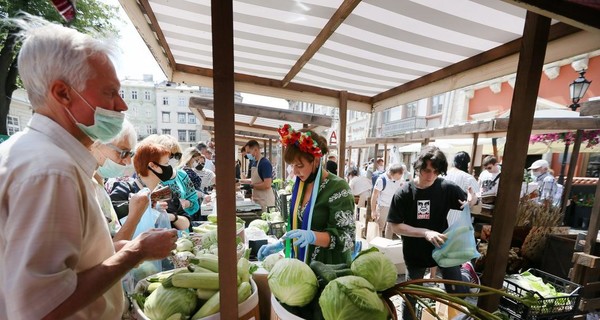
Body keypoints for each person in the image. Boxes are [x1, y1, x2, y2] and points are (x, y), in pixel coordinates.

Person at [0, 16, 177, 319]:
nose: (122, 106)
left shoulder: (37, 157)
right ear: (62, 93)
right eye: (110, 92)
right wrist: (137, 252)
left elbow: (73, 264)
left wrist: (123, 248)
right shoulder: (51, 171)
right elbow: (44, 307)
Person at [386, 146, 479, 319]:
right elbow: (396, 226)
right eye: (427, 170)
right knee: (411, 296)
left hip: (444, 247)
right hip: (415, 252)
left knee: (457, 292)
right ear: (418, 167)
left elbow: (469, 200)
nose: (430, 176)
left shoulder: (446, 187)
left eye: (436, 171)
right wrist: (425, 232)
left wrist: (472, 199)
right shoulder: (404, 193)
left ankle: (467, 273)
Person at [258, 125, 356, 265]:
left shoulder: (338, 188)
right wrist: (283, 243)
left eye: (299, 166)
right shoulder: (300, 186)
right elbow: (297, 225)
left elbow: (348, 237)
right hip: (302, 268)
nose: (295, 172)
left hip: (330, 269)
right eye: (292, 166)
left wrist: (313, 236)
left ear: (316, 160)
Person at [90, 119, 152, 241]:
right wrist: (134, 216)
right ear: (94, 143)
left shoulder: (97, 183)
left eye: (130, 154)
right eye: (123, 153)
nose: (128, 162)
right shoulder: (81, 186)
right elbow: (108, 254)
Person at [134, 141, 193, 230]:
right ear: (152, 165)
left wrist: (171, 217)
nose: (169, 167)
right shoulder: (127, 190)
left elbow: (186, 223)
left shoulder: (165, 192)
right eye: (166, 163)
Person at [370, 163, 405, 239]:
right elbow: (374, 195)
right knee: (379, 227)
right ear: (391, 173)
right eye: (397, 177)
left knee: (390, 227)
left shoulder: (399, 179)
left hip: (394, 206)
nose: (399, 179)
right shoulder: (381, 180)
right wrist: (373, 210)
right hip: (383, 206)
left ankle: (387, 243)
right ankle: (377, 244)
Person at [444, 151, 479, 225]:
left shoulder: (442, 175)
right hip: (458, 225)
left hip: (439, 223)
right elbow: (478, 208)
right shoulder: (468, 178)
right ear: (467, 164)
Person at [240, 139, 276, 212]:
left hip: (265, 202)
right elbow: (254, 180)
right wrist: (240, 181)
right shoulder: (254, 163)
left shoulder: (265, 163)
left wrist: (251, 186)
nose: (247, 155)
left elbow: (267, 184)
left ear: (256, 150)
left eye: (248, 152)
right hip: (257, 200)